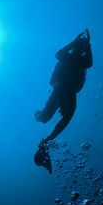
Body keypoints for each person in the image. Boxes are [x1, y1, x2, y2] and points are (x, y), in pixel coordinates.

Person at [34, 29, 93, 173]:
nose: (79, 50)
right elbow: (58, 54)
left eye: (81, 48)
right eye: (78, 48)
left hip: (70, 93)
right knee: (44, 118)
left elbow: (89, 63)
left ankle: (47, 142)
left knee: (67, 119)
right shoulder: (67, 56)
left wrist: (88, 46)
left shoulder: (80, 61)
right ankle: (39, 115)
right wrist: (76, 43)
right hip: (59, 90)